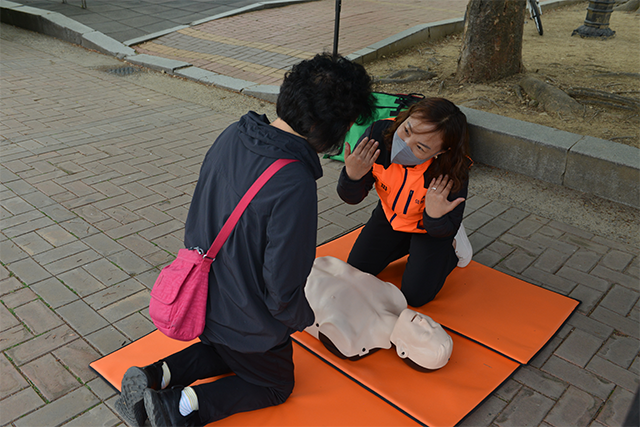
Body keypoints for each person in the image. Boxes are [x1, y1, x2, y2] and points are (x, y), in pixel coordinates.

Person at [114, 53, 374, 427]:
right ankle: (179, 406)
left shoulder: (234, 133)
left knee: (228, 351)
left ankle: (157, 375)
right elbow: (282, 286)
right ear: (328, 129)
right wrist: (304, 318)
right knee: (275, 383)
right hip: (247, 316)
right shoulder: (295, 182)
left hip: (203, 298)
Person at [337, 97, 473, 308]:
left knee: (415, 297)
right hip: (391, 215)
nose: (404, 145)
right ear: (404, 118)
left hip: (428, 226)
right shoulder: (378, 138)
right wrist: (352, 177)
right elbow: (352, 198)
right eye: (406, 130)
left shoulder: (451, 171)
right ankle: (409, 245)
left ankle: (455, 246)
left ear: (440, 152)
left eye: (420, 147)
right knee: (355, 270)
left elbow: (445, 227)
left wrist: (436, 216)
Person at [305, 256, 453, 370]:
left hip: (291, 279)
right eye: (434, 325)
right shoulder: (396, 298)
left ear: (402, 350)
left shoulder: (350, 340)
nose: (425, 322)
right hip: (320, 261)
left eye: (424, 333)